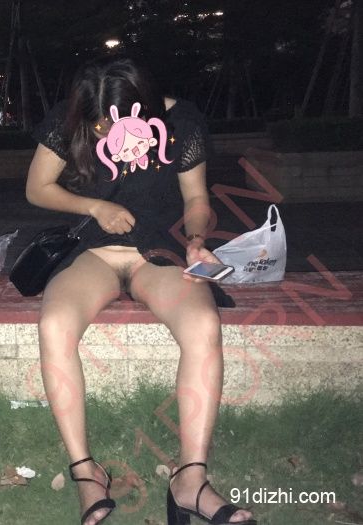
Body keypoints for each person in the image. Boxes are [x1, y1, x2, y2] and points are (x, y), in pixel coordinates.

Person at [25, 55, 256, 525]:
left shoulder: (181, 122)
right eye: (97, 126)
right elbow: (37, 187)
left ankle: (190, 479)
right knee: (54, 324)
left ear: (145, 108)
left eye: (113, 124)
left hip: (159, 253)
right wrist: (94, 207)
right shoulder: (72, 118)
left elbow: (196, 198)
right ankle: (86, 473)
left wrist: (196, 240)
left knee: (202, 324)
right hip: (95, 253)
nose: (103, 134)